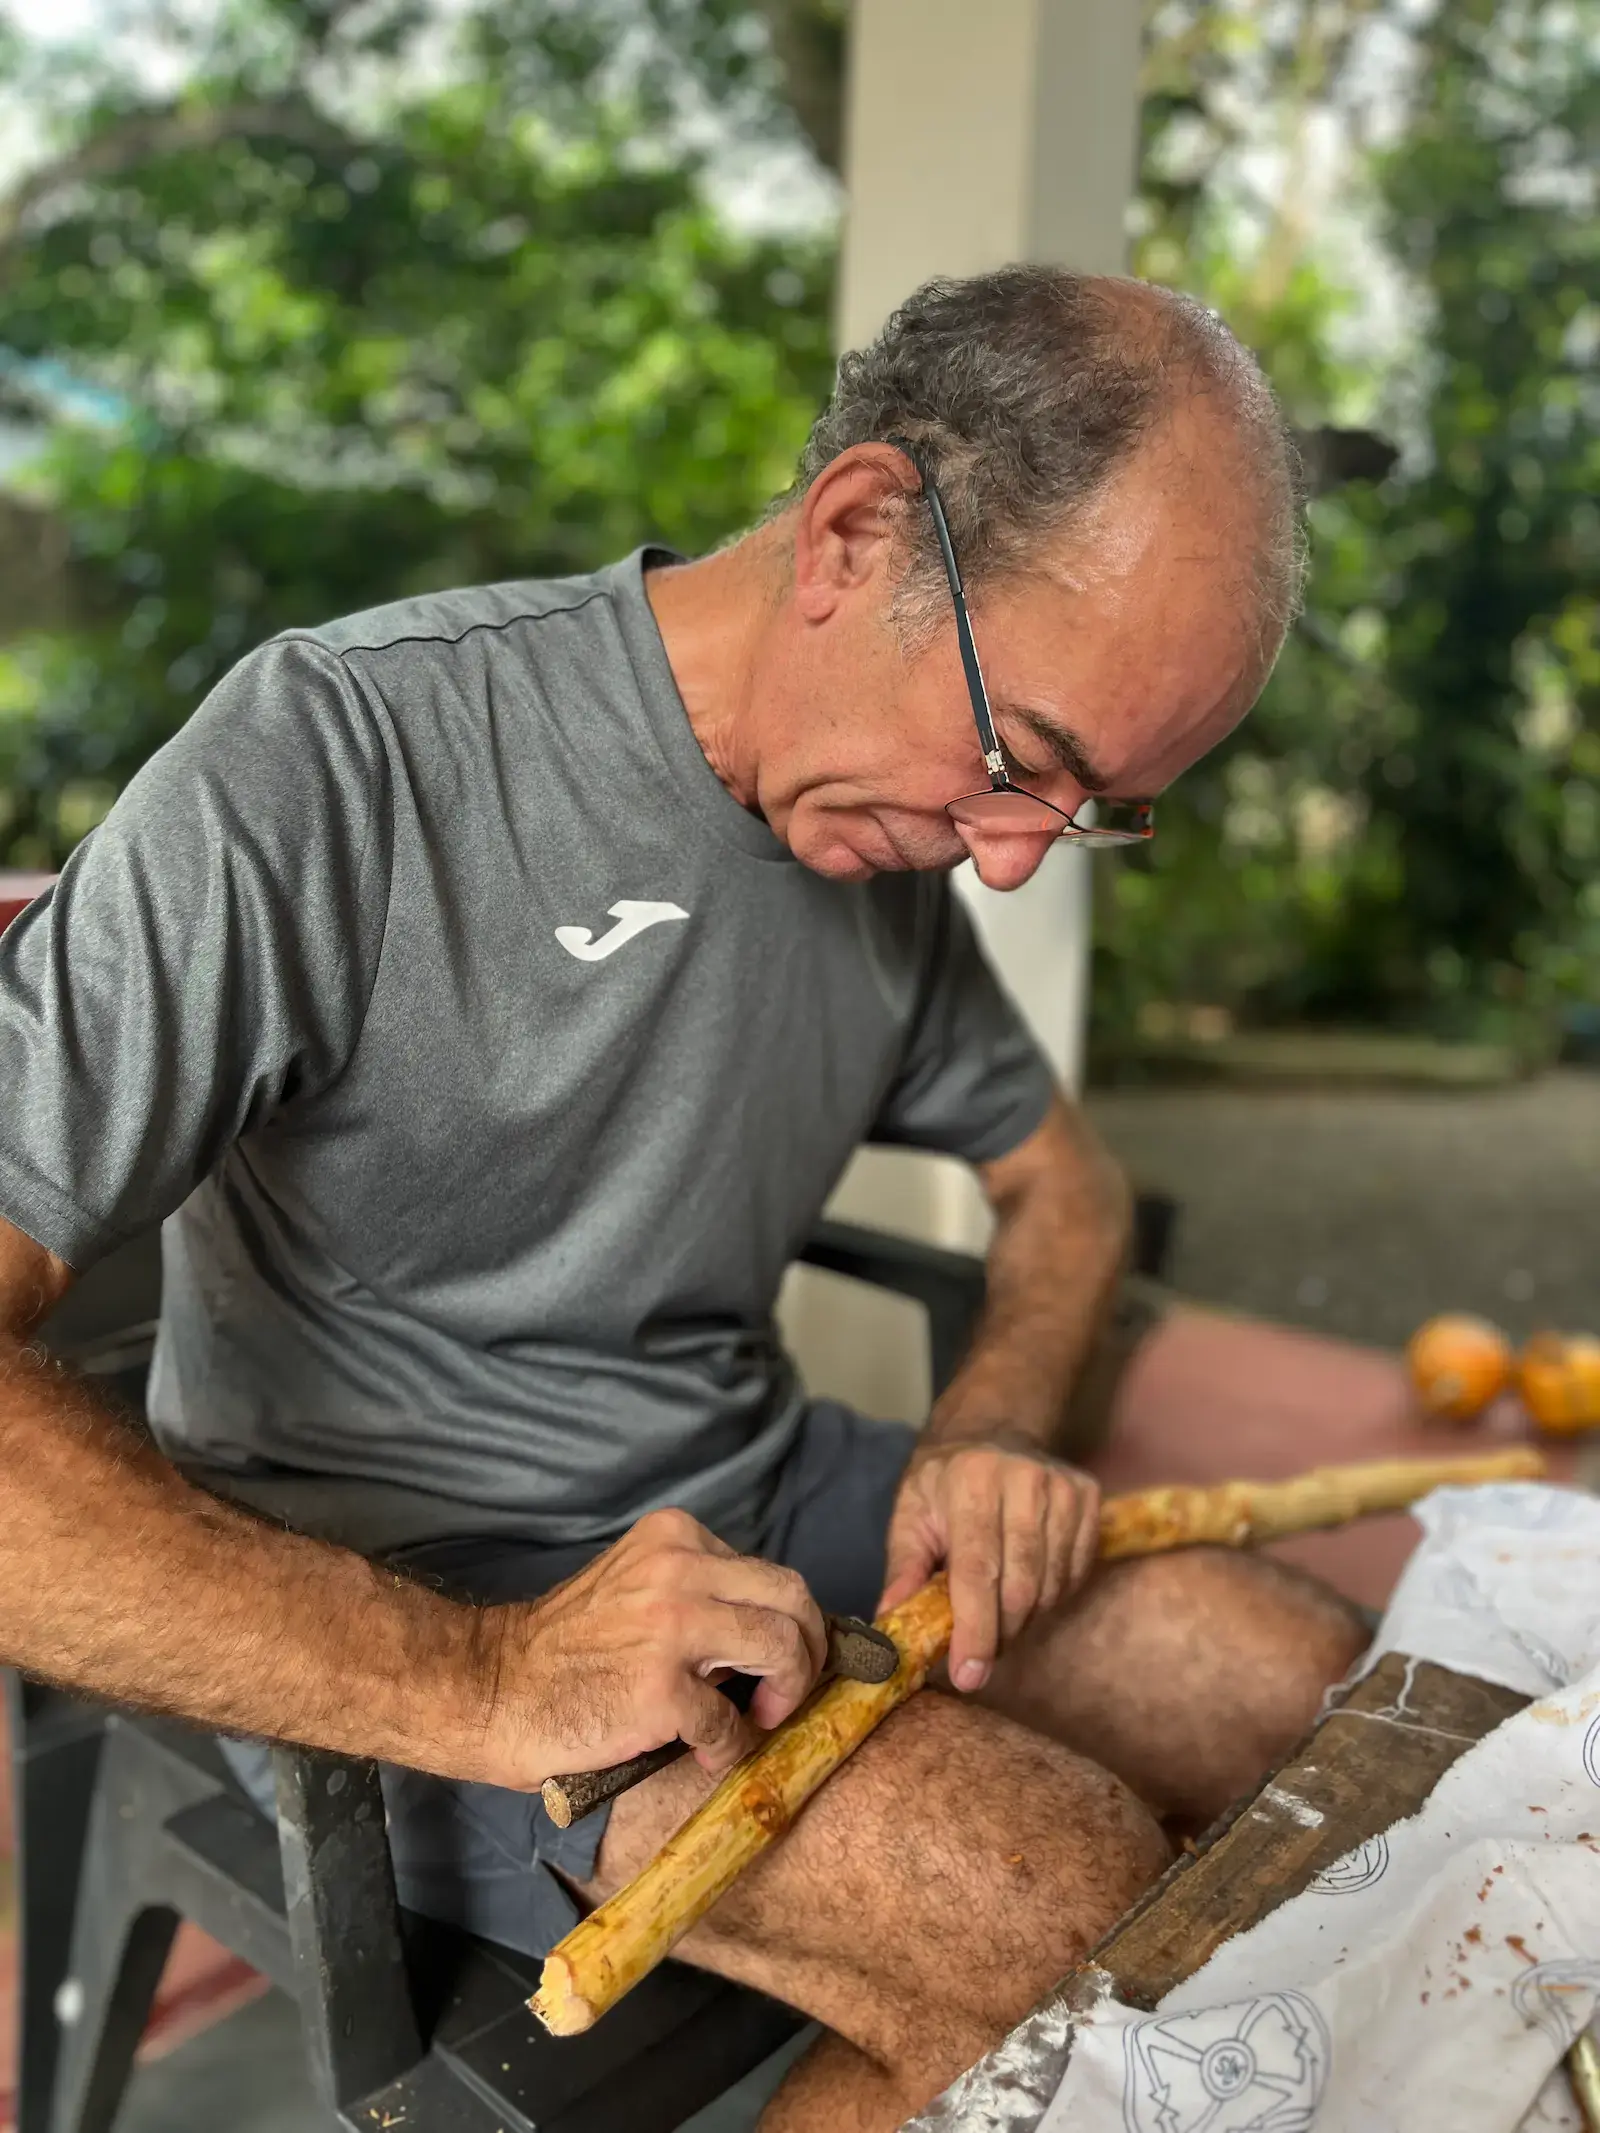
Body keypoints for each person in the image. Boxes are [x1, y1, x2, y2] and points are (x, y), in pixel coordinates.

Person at [0, 267, 1369, 2131]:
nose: (1015, 867)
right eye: (1023, 762)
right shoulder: (343, 760)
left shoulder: (882, 840)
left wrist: (990, 1420)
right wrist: (488, 1676)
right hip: (401, 1591)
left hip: (762, 1493)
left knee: (1326, 1711)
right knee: (1049, 1900)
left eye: (1095, 810)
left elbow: (1068, 1195)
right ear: (856, 531)